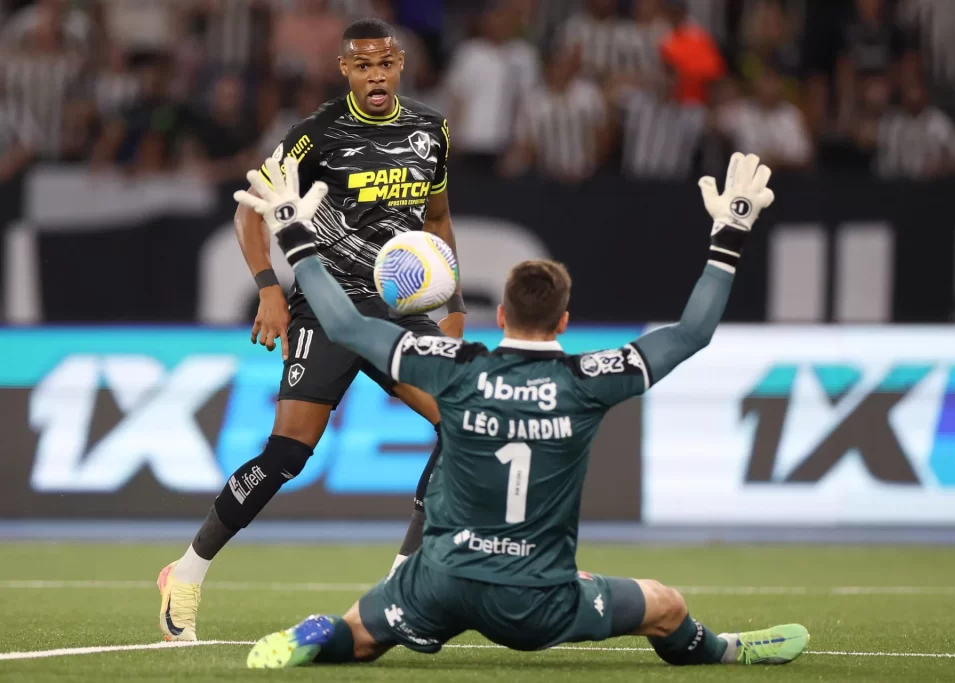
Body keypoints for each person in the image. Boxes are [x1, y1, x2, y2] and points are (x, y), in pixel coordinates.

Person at [234, 151, 810, 669]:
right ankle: (726, 650)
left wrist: (294, 233)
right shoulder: (589, 380)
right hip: (536, 597)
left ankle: (324, 636)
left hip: (439, 581)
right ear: (564, 322)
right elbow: (690, 334)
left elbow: (345, 325)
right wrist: (729, 234)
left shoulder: (451, 365)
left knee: (360, 634)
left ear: (502, 315)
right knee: (664, 604)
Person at [157, 18, 466, 642]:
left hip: (399, 311)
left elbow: (437, 219)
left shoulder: (432, 131)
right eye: (362, 66)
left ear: (400, 64)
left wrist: (454, 304)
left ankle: (399, 588)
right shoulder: (314, 135)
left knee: (459, 426)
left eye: (384, 63)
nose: (375, 75)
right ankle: (185, 574)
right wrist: (269, 289)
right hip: (326, 308)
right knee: (287, 454)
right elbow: (251, 208)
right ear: (345, 70)